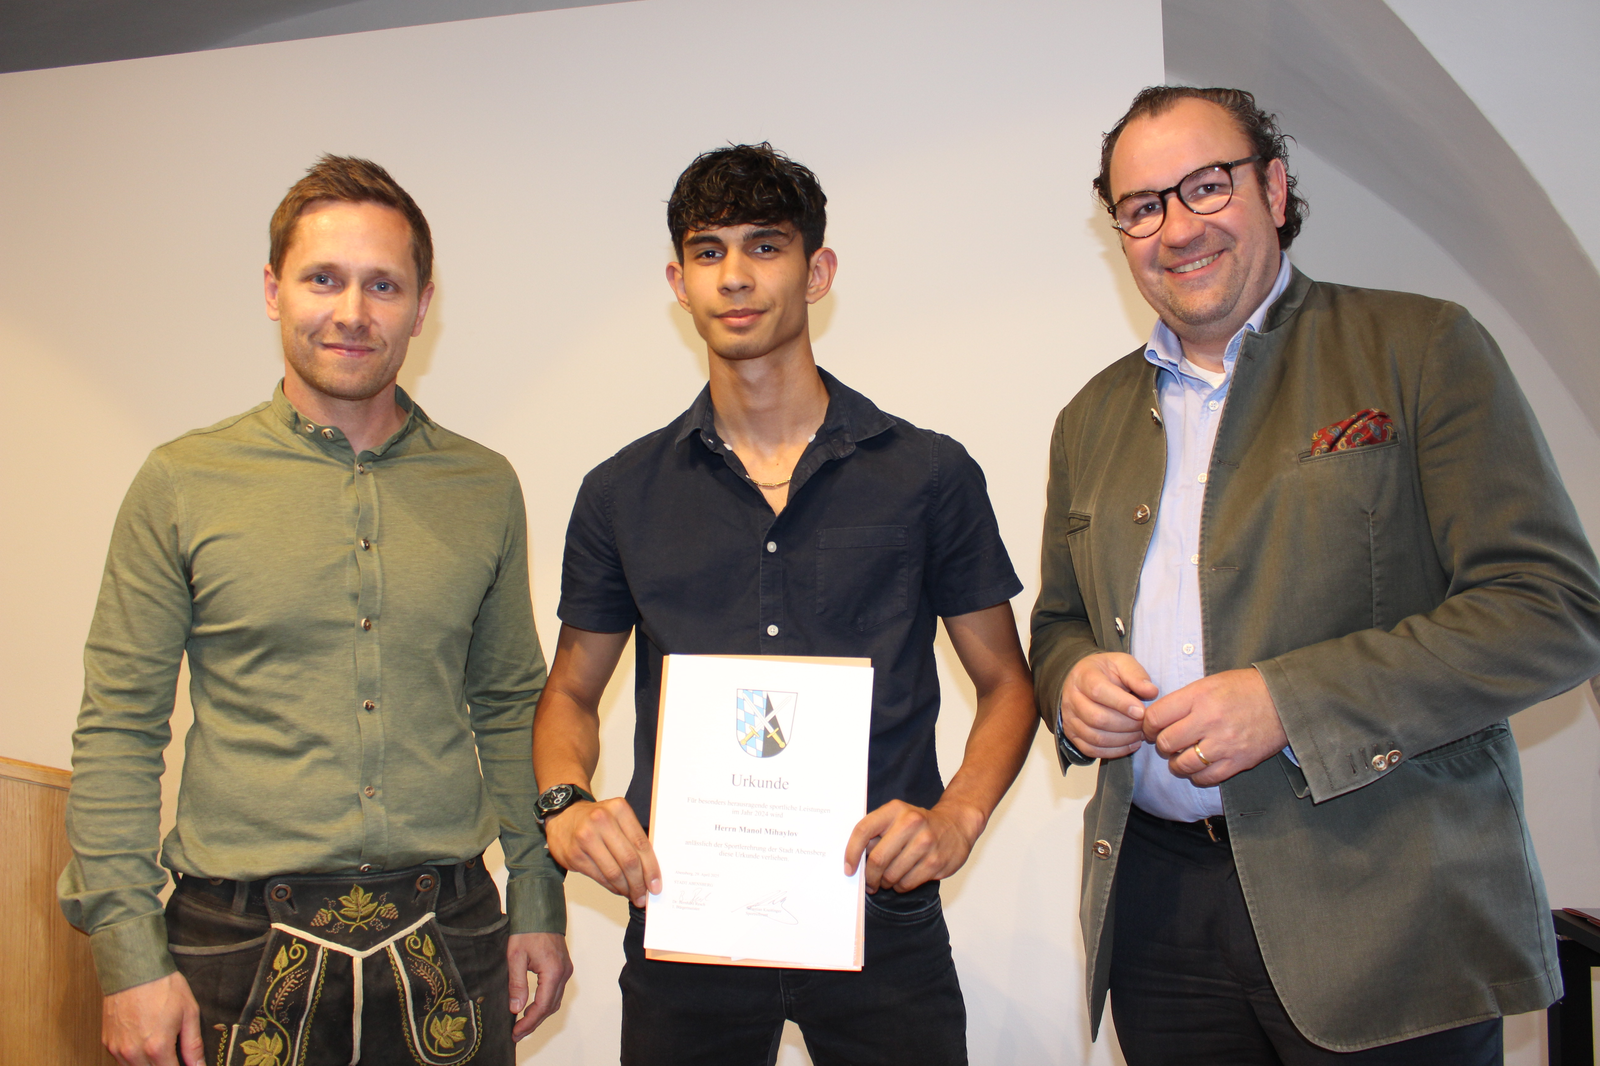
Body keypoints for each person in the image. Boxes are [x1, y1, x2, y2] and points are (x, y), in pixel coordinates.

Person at [1030, 85, 1600, 1064]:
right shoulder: (1089, 418)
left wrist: (1288, 705)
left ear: (1274, 187)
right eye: (1142, 206)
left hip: (1388, 902)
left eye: (1207, 186)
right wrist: (1070, 680)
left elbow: (1551, 611)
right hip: (1159, 917)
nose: (1178, 227)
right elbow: (1059, 622)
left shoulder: (1421, 348)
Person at [531, 143, 1037, 1066]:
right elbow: (569, 691)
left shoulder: (929, 474)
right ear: (679, 283)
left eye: (765, 246)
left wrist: (956, 819)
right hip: (685, 915)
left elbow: (1008, 682)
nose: (735, 276)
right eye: (708, 251)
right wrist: (566, 805)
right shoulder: (620, 493)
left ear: (818, 271)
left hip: (881, 912)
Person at [60, 155, 572, 1066]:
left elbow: (508, 705)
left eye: (384, 285)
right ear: (273, 290)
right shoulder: (180, 482)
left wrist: (538, 898)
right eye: (323, 279)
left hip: (450, 934)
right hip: (232, 944)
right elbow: (119, 728)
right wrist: (128, 955)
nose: (352, 311)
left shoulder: (485, 486)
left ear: (422, 306)